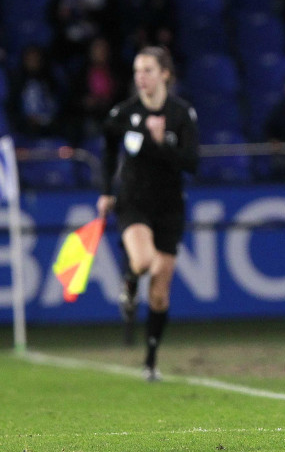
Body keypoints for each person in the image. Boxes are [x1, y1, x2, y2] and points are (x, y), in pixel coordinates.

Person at [96, 46, 199, 381]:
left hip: (169, 206)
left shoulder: (182, 114)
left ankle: (151, 360)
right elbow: (108, 146)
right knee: (142, 262)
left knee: (159, 293)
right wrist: (106, 191)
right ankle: (129, 284)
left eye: (148, 70)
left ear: (165, 74)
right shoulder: (124, 113)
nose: (141, 77)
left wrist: (162, 142)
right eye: (137, 71)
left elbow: (191, 163)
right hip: (134, 200)